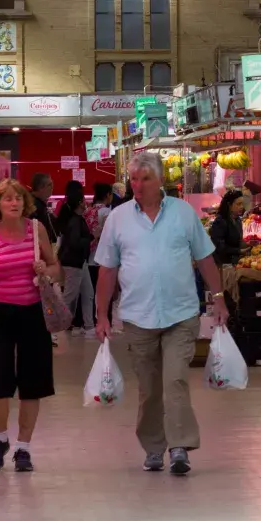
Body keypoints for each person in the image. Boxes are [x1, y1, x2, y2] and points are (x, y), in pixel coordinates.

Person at [94, 150, 228, 476]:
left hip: (181, 313)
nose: (137, 186)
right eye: (134, 180)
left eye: (145, 179)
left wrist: (220, 297)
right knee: (150, 387)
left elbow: (205, 259)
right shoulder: (118, 218)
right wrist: (101, 314)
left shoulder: (183, 214)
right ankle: (154, 447)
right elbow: (107, 270)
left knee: (176, 380)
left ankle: (180, 446)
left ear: (160, 181)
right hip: (138, 316)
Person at [0, 180, 60, 473]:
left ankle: (24, 448)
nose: (14, 203)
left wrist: (47, 270)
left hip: (33, 313)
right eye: (7, 199)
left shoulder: (36, 231)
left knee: (33, 381)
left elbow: (58, 269)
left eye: (18, 198)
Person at [55, 181, 95, 335]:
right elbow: (75, 242)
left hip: (78, 262)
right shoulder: (76, 221)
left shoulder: (72, 218)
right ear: (80, 202)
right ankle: (57, 325)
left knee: (87, 293)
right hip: (74, 263)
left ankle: (89, 325)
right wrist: (92, 237)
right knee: (70, 296)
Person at [209, 189, 246, 267]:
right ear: (229, 205)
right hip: (223, 265)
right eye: (238, 204)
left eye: (242, 204)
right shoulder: (220, 221)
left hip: (235, 262)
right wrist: (239, 251)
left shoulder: (238, 220)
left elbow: (237, 240)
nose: (242, 207)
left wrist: (248, 245)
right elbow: (219, 246)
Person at [30, 173, 57, 244]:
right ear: (40, 187)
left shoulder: (40, 203)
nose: (52, 187)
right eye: (49, 185)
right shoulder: (33, 206)